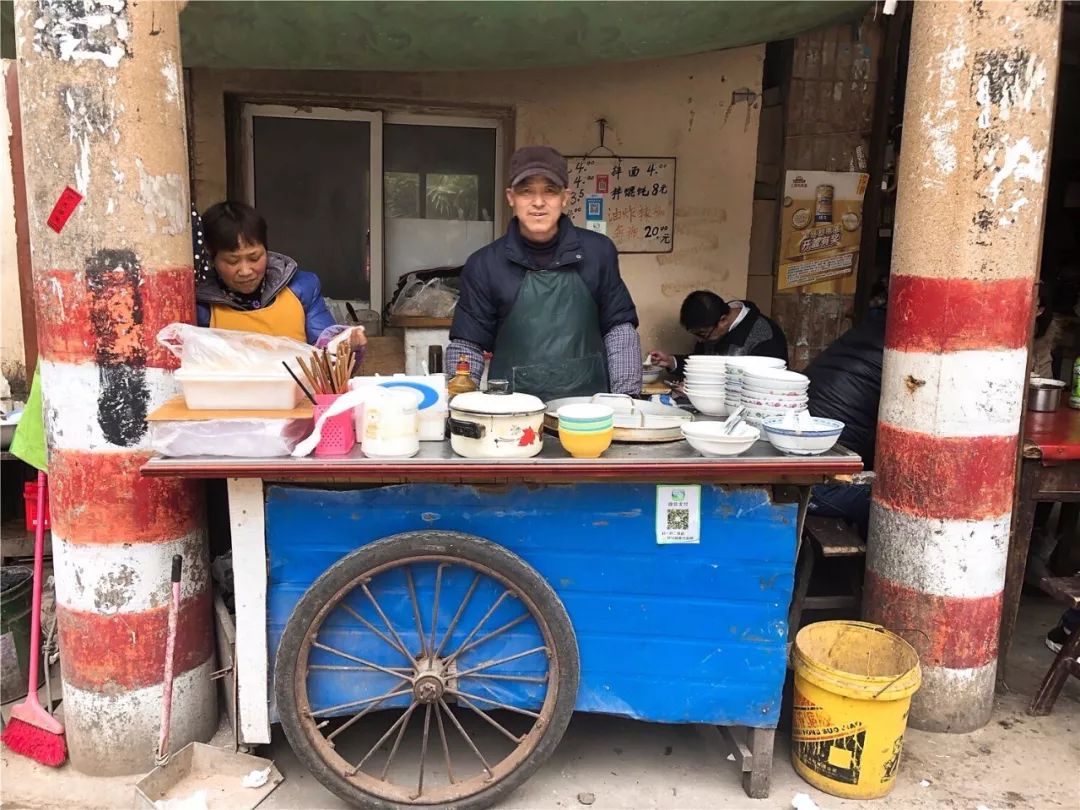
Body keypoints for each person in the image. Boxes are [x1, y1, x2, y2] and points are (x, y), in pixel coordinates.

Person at [445, 146, 642, 401]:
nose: (538, 202)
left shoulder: (598, 252)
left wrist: (625, 401)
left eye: (549, 190)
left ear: (566, 197)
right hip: (511, 414)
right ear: (510, 197)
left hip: (589, 415)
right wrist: (460, 407)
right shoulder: (484, 264)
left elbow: (620, 330)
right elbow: (467, 345)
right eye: (526, 191)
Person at [195, 201, 363, 350]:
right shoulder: (199, 304)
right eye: (232, 261)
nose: (245, 271)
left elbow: (326, 350)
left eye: (254, 258)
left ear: (266, 250)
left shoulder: (302, 288)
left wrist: (345, 346)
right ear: (212, 257)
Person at [801, 281, 889, 537]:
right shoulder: (905, 350)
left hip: (801, 460)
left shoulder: (865, 332)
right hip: (818, 482)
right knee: (900, 506)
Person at [648, 291, 788, 375]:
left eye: (702, 334)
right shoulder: (711, 322)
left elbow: (766, 384)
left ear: (723, 320)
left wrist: (704, 391)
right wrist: (671, 362)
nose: (700, 341)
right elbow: (702, 363)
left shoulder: (764, 336)